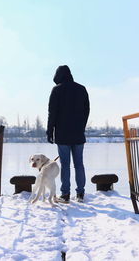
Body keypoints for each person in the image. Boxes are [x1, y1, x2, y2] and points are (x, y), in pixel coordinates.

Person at [46, 65, 90, 203]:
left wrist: (50, 131)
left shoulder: (57, 90)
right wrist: (81, 126)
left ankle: (65, 195)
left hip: (62, 134)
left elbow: (52, 113)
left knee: (65, 165)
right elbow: (86, 110)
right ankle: (80, 194)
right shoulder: (81, 89)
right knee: (79, 164)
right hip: (78, 134)